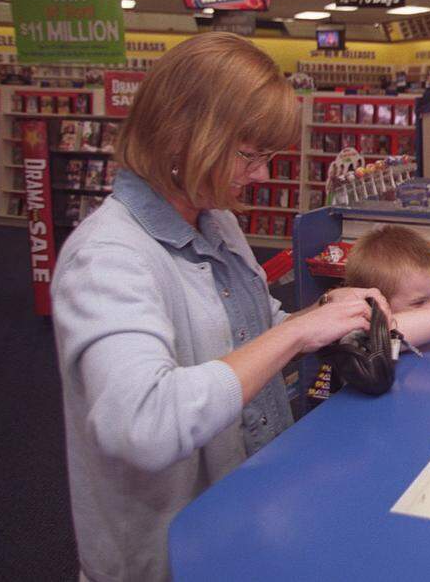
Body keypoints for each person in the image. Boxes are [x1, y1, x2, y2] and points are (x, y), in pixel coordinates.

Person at [51, 32, 391, 581]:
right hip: (170, 562)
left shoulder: (217, 221)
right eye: (248, 154)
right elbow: (142, 424)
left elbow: (249, 334)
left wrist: (326, 315)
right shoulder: (108, 257)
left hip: (241, 523)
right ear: (181, 136)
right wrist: (296, 335)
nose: (261, 175)